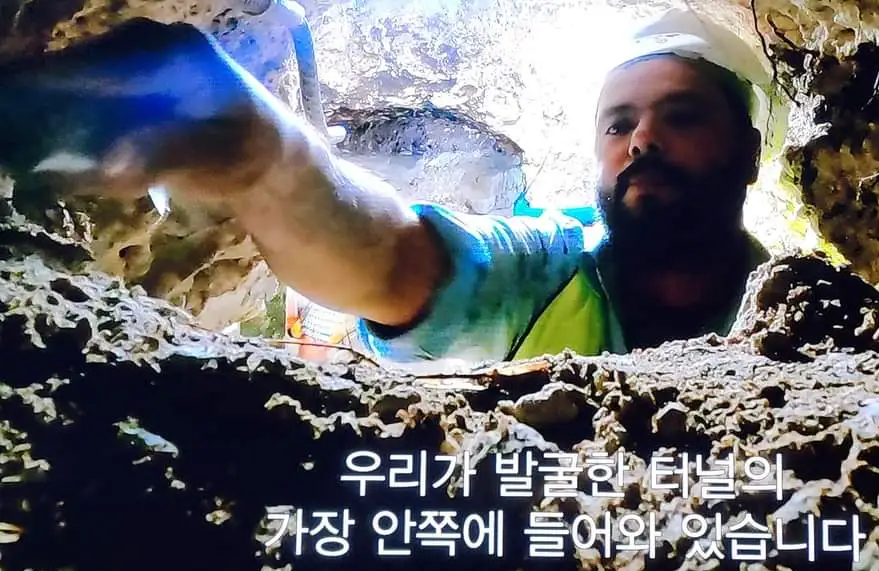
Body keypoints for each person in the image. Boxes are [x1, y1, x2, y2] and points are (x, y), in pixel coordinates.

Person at [4, 8, 787, 364]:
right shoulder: (549, 264)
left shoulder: (809, 315)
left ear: (749, 153)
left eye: (680, 116)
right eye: (618, 125)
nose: (641, 140)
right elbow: (398, 262)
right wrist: (262, 158)